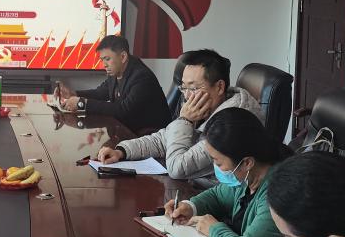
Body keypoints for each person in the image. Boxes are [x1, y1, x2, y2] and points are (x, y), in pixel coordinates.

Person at [162, 108, 310, 237]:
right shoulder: (247, 177)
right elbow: (218, 196)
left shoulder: (278, 192)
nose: (216, 168)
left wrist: (214, 230)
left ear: (247, 162)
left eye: (218, 163)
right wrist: (190, 207)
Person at [96, 48, 262, 179]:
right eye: (184, 87)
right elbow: (163, 139)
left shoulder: (233, 122)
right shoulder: (207, 106)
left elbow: (177, 168)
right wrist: (122, 151)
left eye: (194, 88)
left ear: (219, 87)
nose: (187, 96)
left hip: (211, 193)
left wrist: (184, 120)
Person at [55, 34, 170, 134]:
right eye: (102, 60)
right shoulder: (116, 70)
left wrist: (82, 103)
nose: (104, 64)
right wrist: (73, 93)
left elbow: (124, 111)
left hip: (150, 136)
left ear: (123, 57)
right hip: (128, 129)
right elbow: (101, 92)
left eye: (107, 59)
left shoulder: (141, 77)